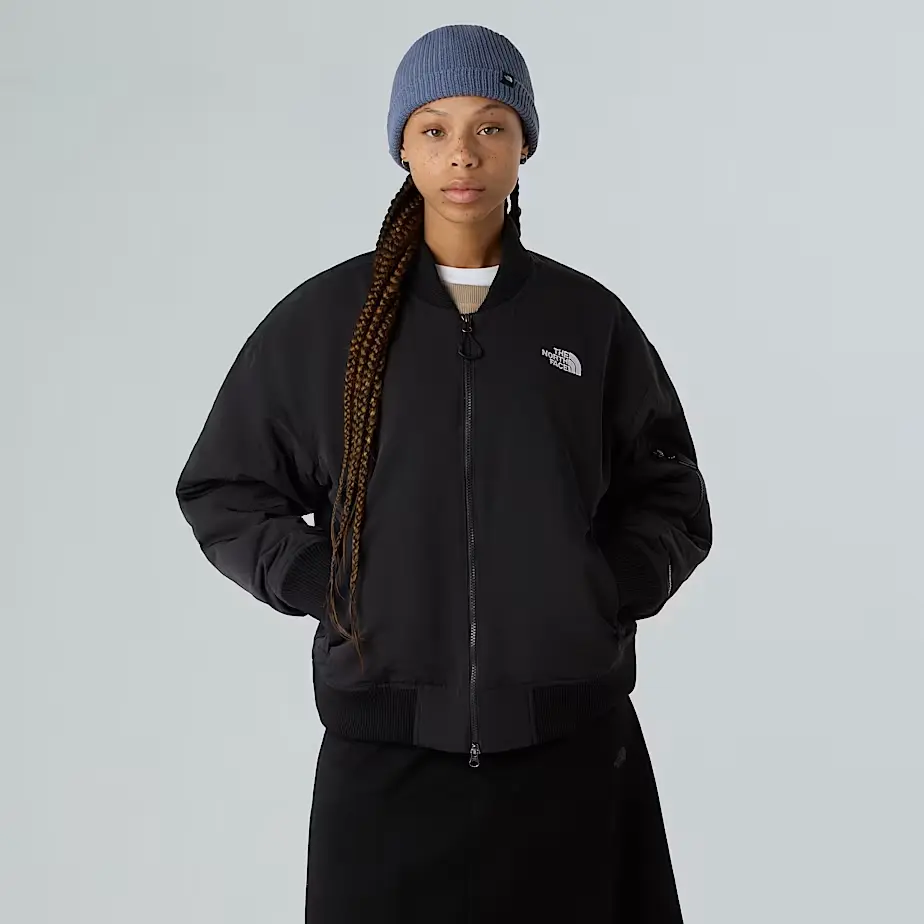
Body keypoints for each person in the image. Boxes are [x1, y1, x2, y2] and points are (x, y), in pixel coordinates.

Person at [175, 23, 712, 924]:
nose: (463, 152)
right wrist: (319, 579)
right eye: (434, 128)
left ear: (524, 143)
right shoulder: (329, 323)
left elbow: (670, 493)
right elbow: (224, 488)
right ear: (403, 146)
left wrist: (598, 589)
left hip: (570, 751)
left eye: (490, 126)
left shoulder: (586, 322)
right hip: (385, 760)